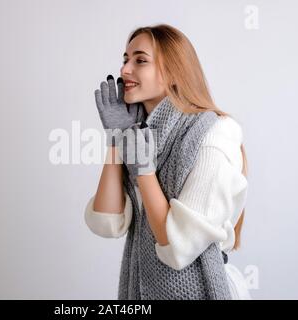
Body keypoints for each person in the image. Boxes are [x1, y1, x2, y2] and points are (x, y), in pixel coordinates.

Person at [84, 24, 250, 300]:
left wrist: (145, 170)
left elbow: (178, 247)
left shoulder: (215, 133)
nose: (125, 70)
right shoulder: (138, 132)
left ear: (173, 71)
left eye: (140, 60)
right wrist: (116, 139)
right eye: (125, 59)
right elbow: (107, 222)